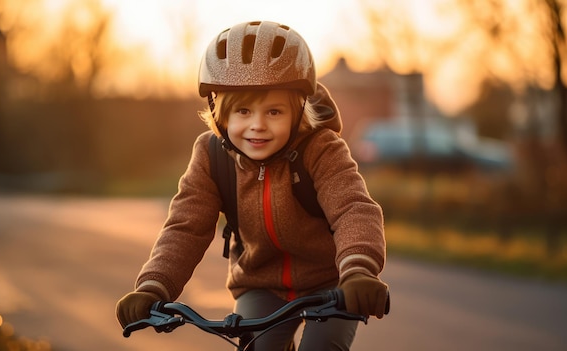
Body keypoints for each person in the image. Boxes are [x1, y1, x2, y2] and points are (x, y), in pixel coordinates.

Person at [116, 20, 389, 350]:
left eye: (274, 111)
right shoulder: (211, 156)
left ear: (298, 111)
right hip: (259, 284)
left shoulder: (322, 148)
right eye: (243, 111)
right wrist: (154, 286)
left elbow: (353, 209)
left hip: (332, 283)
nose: (257, 126)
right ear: (219, 114)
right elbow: (185, 228)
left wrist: (358, 270)